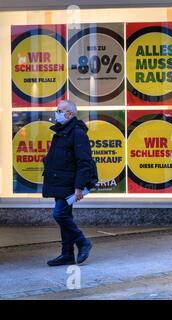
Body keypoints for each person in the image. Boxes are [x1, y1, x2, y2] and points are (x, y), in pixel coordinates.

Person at [42, 100, 98, 267]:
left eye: (60, 110)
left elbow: (84, 162)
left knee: (60, 214)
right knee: (65, 216)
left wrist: (79, 187)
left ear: (70, 114)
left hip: (69, 184)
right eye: (57, 110)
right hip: (59, 181)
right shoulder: (61, 131)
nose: (56, 113)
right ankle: (67, 254)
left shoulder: (77, 133)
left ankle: (82, 242)